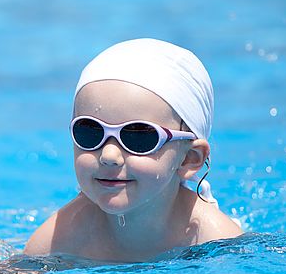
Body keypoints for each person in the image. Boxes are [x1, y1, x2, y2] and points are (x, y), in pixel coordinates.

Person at [24, 38, 242, 261]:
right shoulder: (57, 241)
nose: (109, 156)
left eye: (138, 136)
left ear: (188, 158)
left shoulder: (217, 242)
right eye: (90, 132)